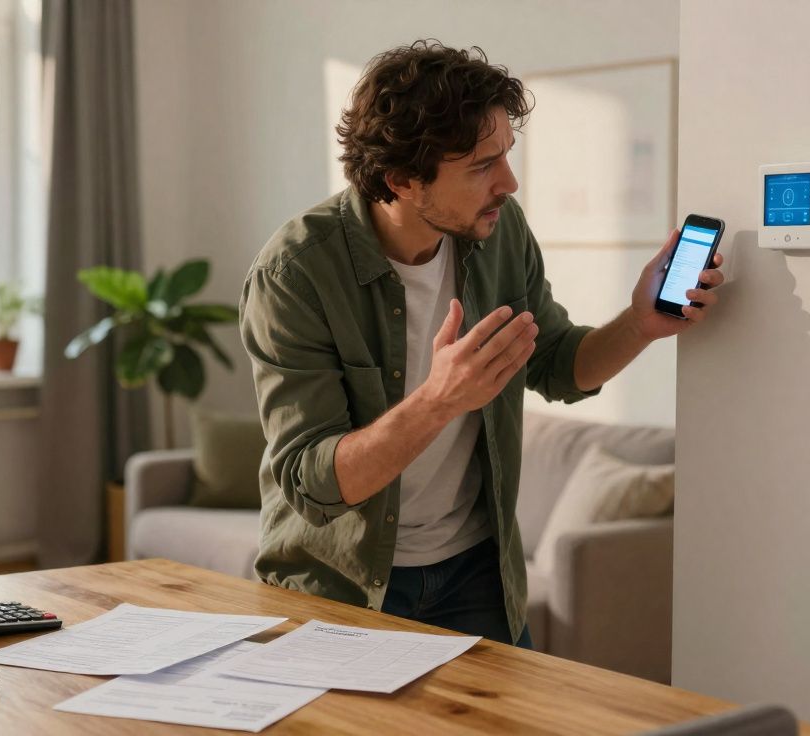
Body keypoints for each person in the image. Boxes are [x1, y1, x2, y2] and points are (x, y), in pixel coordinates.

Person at [238, 40, 724, 648]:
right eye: (481, 165)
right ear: (403, 180)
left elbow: (553, 364)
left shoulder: (499, 231)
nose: (509, 182)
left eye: (506, 156)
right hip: (342, 586)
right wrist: (440, 400)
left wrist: (640, 322)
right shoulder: (296, 274)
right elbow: (312, 482)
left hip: (478, 576)